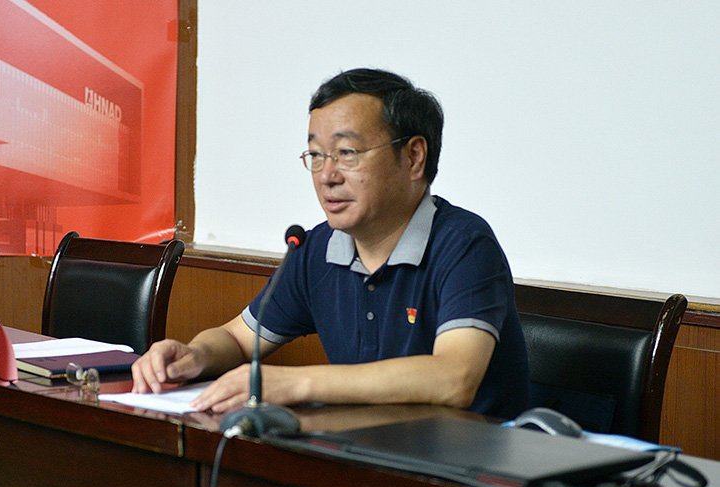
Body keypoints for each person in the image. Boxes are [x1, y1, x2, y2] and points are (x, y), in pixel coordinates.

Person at [132, 68, 530, 419]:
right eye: (317, 155)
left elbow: (454, 378)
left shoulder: (465, 245)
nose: (327, 175)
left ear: (413, 157)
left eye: (346, 153)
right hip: (365, 451)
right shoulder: (317, 248)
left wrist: (297, 384)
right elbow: (237, 339)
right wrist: (195, 355)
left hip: (468, 466)